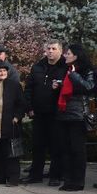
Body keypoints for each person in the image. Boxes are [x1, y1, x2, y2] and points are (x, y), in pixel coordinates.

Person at [22, 40, 67, 185]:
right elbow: (29, 88)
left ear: (60, 51)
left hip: (57, 113)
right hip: (39, 113)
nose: (51, 51)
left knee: (56, 146)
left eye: (54, 48)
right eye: (48, 48)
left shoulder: (66, 67)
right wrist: (29, 107)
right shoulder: (37, 67)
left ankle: (55, 175)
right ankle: (35, 175)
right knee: (38, 145)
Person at [54, 44, 94, 191]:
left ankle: (78, 181)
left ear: (76, 56)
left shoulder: (84, 70)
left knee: (77, 150)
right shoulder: (65, 69)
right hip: (63, 113)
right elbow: (66, 88)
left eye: (68, 53)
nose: (65, 55)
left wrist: (75, 75)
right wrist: (58, 84)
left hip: (78, 115)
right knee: (66, 149)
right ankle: (68, 179)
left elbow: (89, 87)